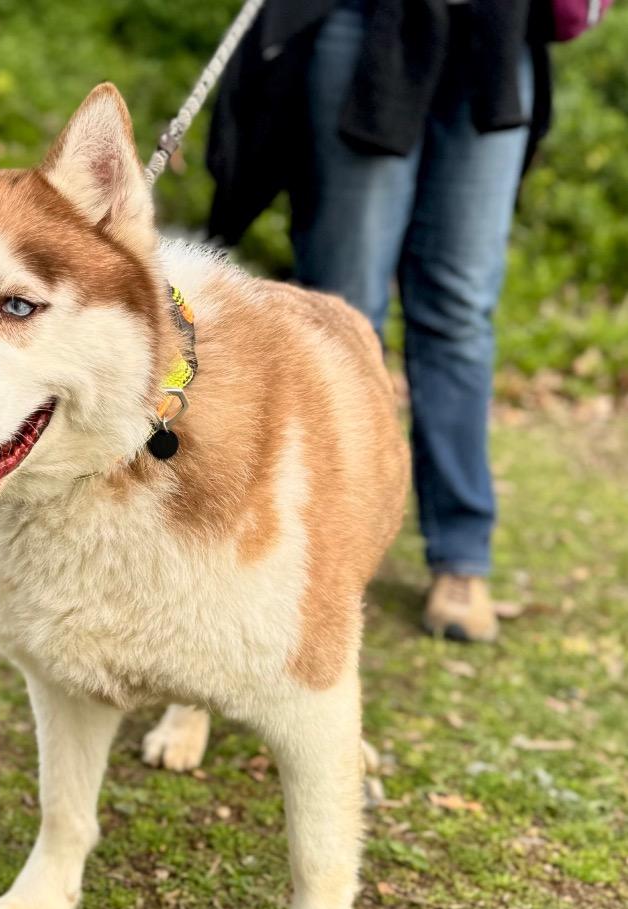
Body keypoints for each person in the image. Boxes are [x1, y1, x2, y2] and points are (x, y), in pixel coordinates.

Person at [207, 0, 553, 642]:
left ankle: (461, 556)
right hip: (365, 22)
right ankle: (310, 546)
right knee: (341, 308)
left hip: (498, 31)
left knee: (459, 309)